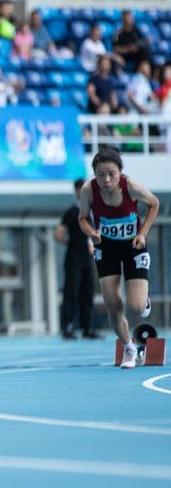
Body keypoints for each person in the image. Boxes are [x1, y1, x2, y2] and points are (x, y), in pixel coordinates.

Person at [78, 145, 159, 368]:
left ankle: (143, 302)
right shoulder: (88, 190)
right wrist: (91, 232)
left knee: (135, 306)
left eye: (112, 174)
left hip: (133, 247)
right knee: (112, 303)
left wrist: (143, 234)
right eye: (100, 175)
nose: (106, 180)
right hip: (106, 248)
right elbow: (83, 218)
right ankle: (130, 348)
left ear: (120, 172)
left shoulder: (131, 187)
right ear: (94, 174)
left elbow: (154, 204)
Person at [55, 179, 96, 340]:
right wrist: (71, 243)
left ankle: (88, 327)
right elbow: (58, 233)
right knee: (71, 292)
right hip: (73, 258)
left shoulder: (93, 212)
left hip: (87, 258)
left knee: (88, 292)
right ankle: (68, 326)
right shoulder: (72, 212)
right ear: (77, 190)